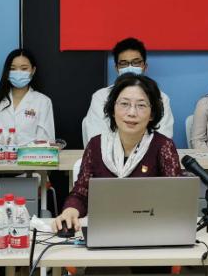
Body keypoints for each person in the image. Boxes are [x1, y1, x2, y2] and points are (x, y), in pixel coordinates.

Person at [54, 74, 181, 231]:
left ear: (152, 114)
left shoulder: (163, 146)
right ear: (113, 110)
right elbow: (81, 193)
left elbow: (175, 198)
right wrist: (70, 211)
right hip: (103, 228)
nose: (132, 113)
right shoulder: (96, 145)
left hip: (149, 229)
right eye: (124, 104)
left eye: (141, 105)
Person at [82, 37, 174, 143]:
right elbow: (96, 138)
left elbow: (163, 138)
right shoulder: (101, 97)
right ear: (117, 68)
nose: (130, 67)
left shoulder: (160, 98)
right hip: (109, 152)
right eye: (124, 63)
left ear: (144, 67)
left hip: (150, 152)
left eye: (136, 62)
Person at [0, 48, 55, 149]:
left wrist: (27, 156)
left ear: (33, 70)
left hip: (30, 157)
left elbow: (45, 142)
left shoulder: (43, 102)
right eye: (13, 69)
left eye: (24, 68)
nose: (18, 73)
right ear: (7, 71)